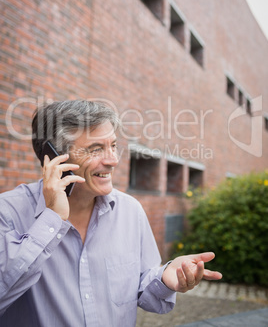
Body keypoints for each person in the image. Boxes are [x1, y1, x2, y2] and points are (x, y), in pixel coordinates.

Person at [0, 100, 222, 326]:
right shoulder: (7, 213)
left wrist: (164, 279)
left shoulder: (130, 211)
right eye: (96, 149)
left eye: (113, 146)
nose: (113, 160)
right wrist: (51, 219)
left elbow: (142, 289)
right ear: (53, 157)